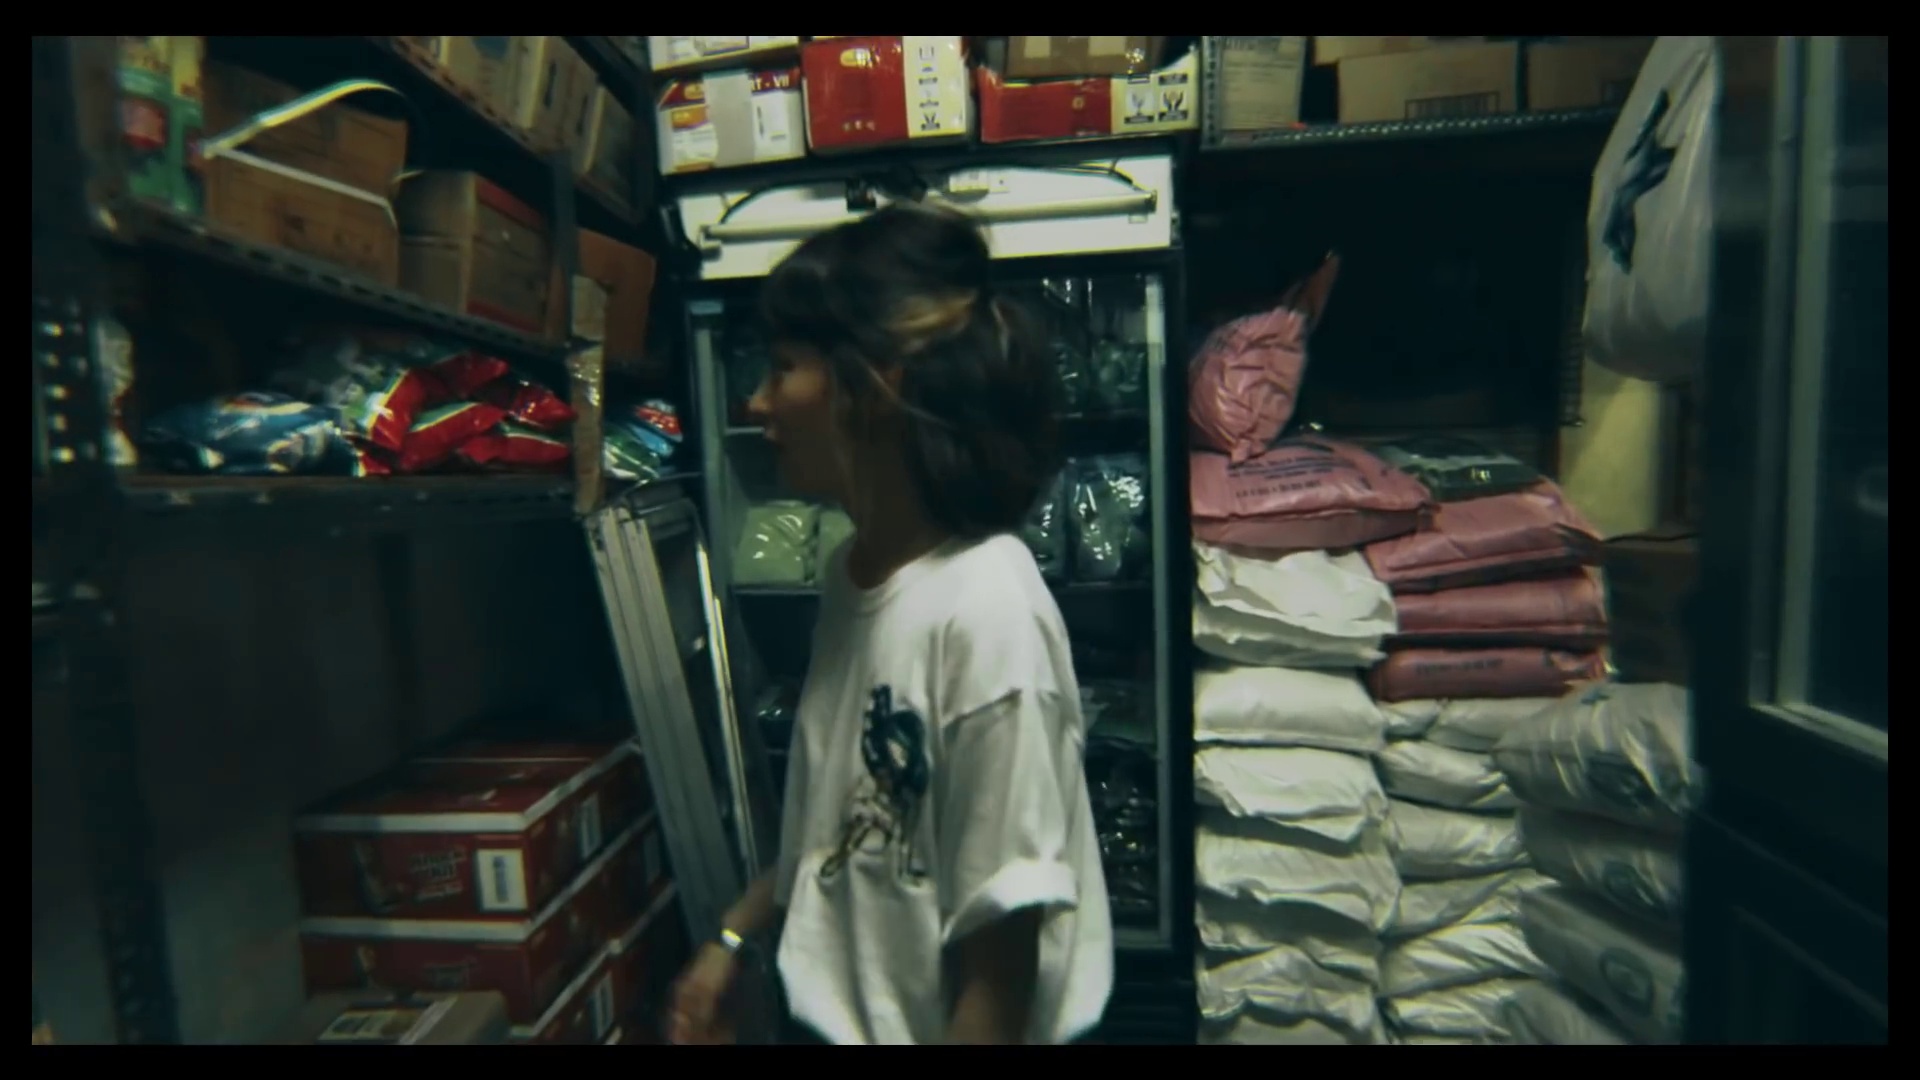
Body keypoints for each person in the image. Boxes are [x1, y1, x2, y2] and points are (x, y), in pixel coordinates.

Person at [666, 204, 1114, 1046]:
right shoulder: (855, 575)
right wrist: (734, 935)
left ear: (879, 384)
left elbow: (998, 986)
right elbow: (844, 825)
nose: (757, 401)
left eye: (784, 368)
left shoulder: (987, 612)